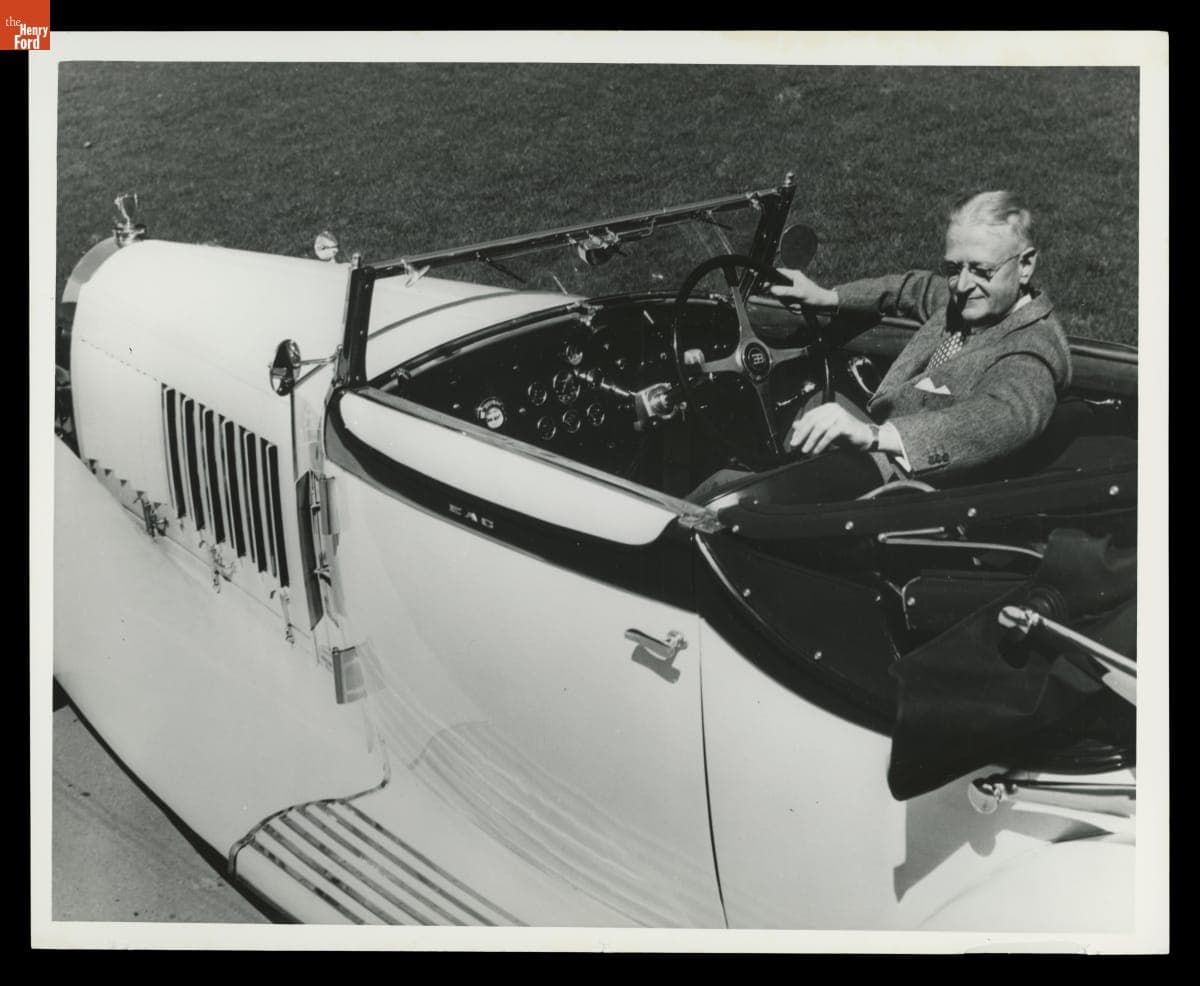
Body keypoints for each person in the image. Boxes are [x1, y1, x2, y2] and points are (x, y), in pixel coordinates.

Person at [770, 190, 1072, 481]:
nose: (962, 285)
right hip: (884, 442)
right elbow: (916, 288)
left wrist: (873, 435)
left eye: (982, 270)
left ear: (1025, 265)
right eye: (954, 268)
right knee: (808, 412)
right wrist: (827, 297)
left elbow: (1001, 419)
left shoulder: (1032, 348)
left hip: (918, 482)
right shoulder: (970, 300)